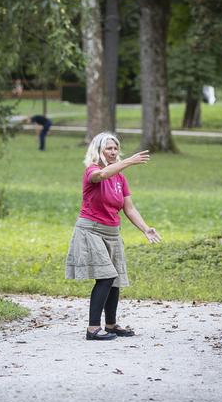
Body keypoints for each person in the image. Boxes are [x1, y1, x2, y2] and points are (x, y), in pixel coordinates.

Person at [65, 132, 161, 340]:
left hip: (112, 232)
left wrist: (145, 228)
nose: (113, 151)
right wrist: (127, 161)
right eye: (109, 148)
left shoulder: (120, 178)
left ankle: (111, 324)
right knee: (106, 276)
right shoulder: (92, 170)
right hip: (91, 230)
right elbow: (100, 176)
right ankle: (92, 329)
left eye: (116, 148)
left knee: (114, 278)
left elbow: (130, 208)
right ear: (98, 150)